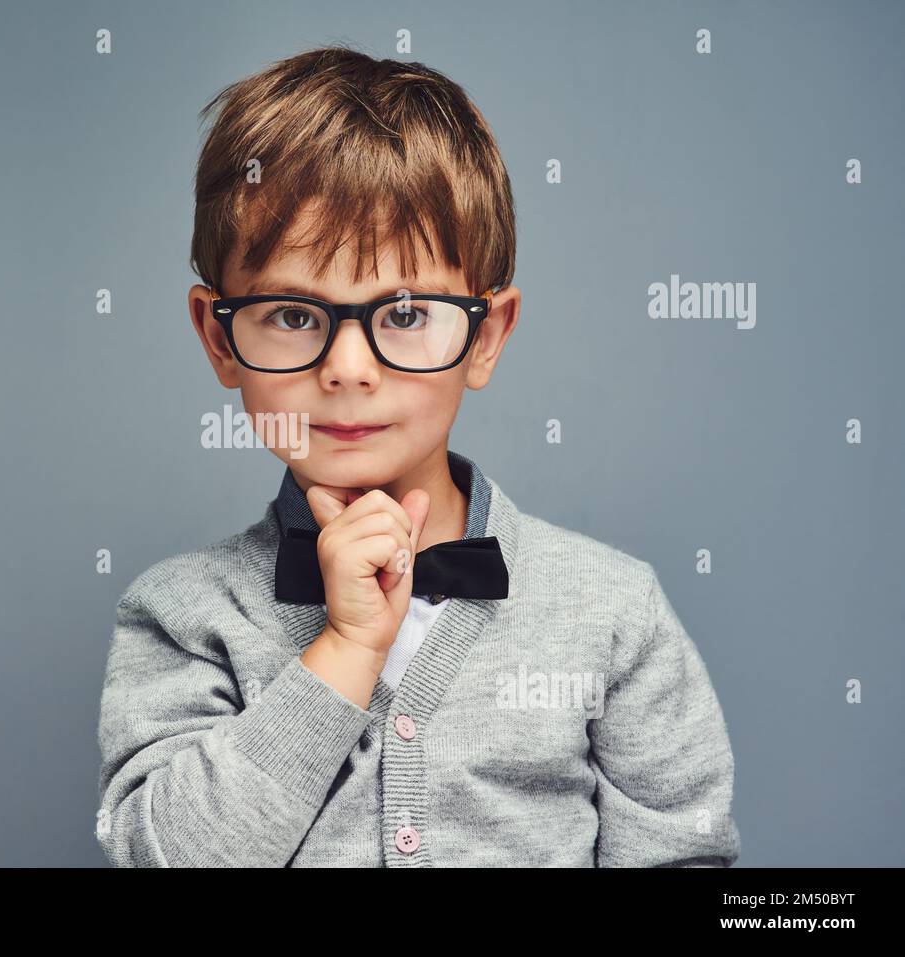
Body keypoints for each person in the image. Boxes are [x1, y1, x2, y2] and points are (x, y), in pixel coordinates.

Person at [95, 44, 740, 867]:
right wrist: (346, 650)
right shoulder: (183, 613)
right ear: (220, 339)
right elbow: (168, 855)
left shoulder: (614, 612)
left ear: (485, 336)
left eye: (403, 314)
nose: (348, 367)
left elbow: (683, 853)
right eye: (294, 315)